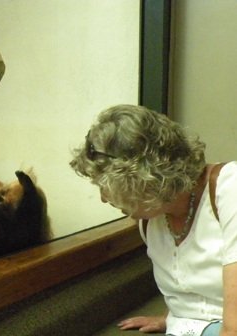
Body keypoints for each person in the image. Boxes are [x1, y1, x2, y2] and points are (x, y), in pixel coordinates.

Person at [70, 104, 237, 336]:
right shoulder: (150, 221)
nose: (103, 198)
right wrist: (171, 318)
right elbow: (194, 289)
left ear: (143, 178)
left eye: (106, 186)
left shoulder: (230, 189)